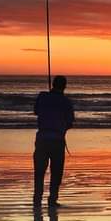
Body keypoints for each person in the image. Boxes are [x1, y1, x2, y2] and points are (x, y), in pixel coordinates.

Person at [33, 75, 74, 206]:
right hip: (57, 140)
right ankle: (52, 199)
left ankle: (37, 199)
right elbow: (70, 122)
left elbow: (36, 111)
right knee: (56, 172)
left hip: (42, 139)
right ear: (64, 86)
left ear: (53, 84)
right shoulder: (66, 102)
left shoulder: (42, 97)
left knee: (39, 171)